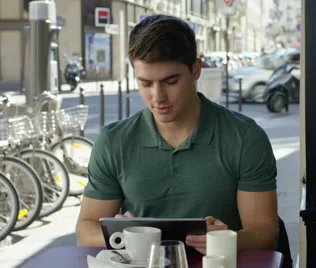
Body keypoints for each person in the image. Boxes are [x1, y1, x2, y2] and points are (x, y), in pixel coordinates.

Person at [75, 14, 279, 255]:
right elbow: (85, 230)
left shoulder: (245, 138)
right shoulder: (113, 141)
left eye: (171, 81)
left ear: (196, 69)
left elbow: (265, 233)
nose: (158, 97)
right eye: (145, 83)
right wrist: (125, 234)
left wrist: (227, 239)